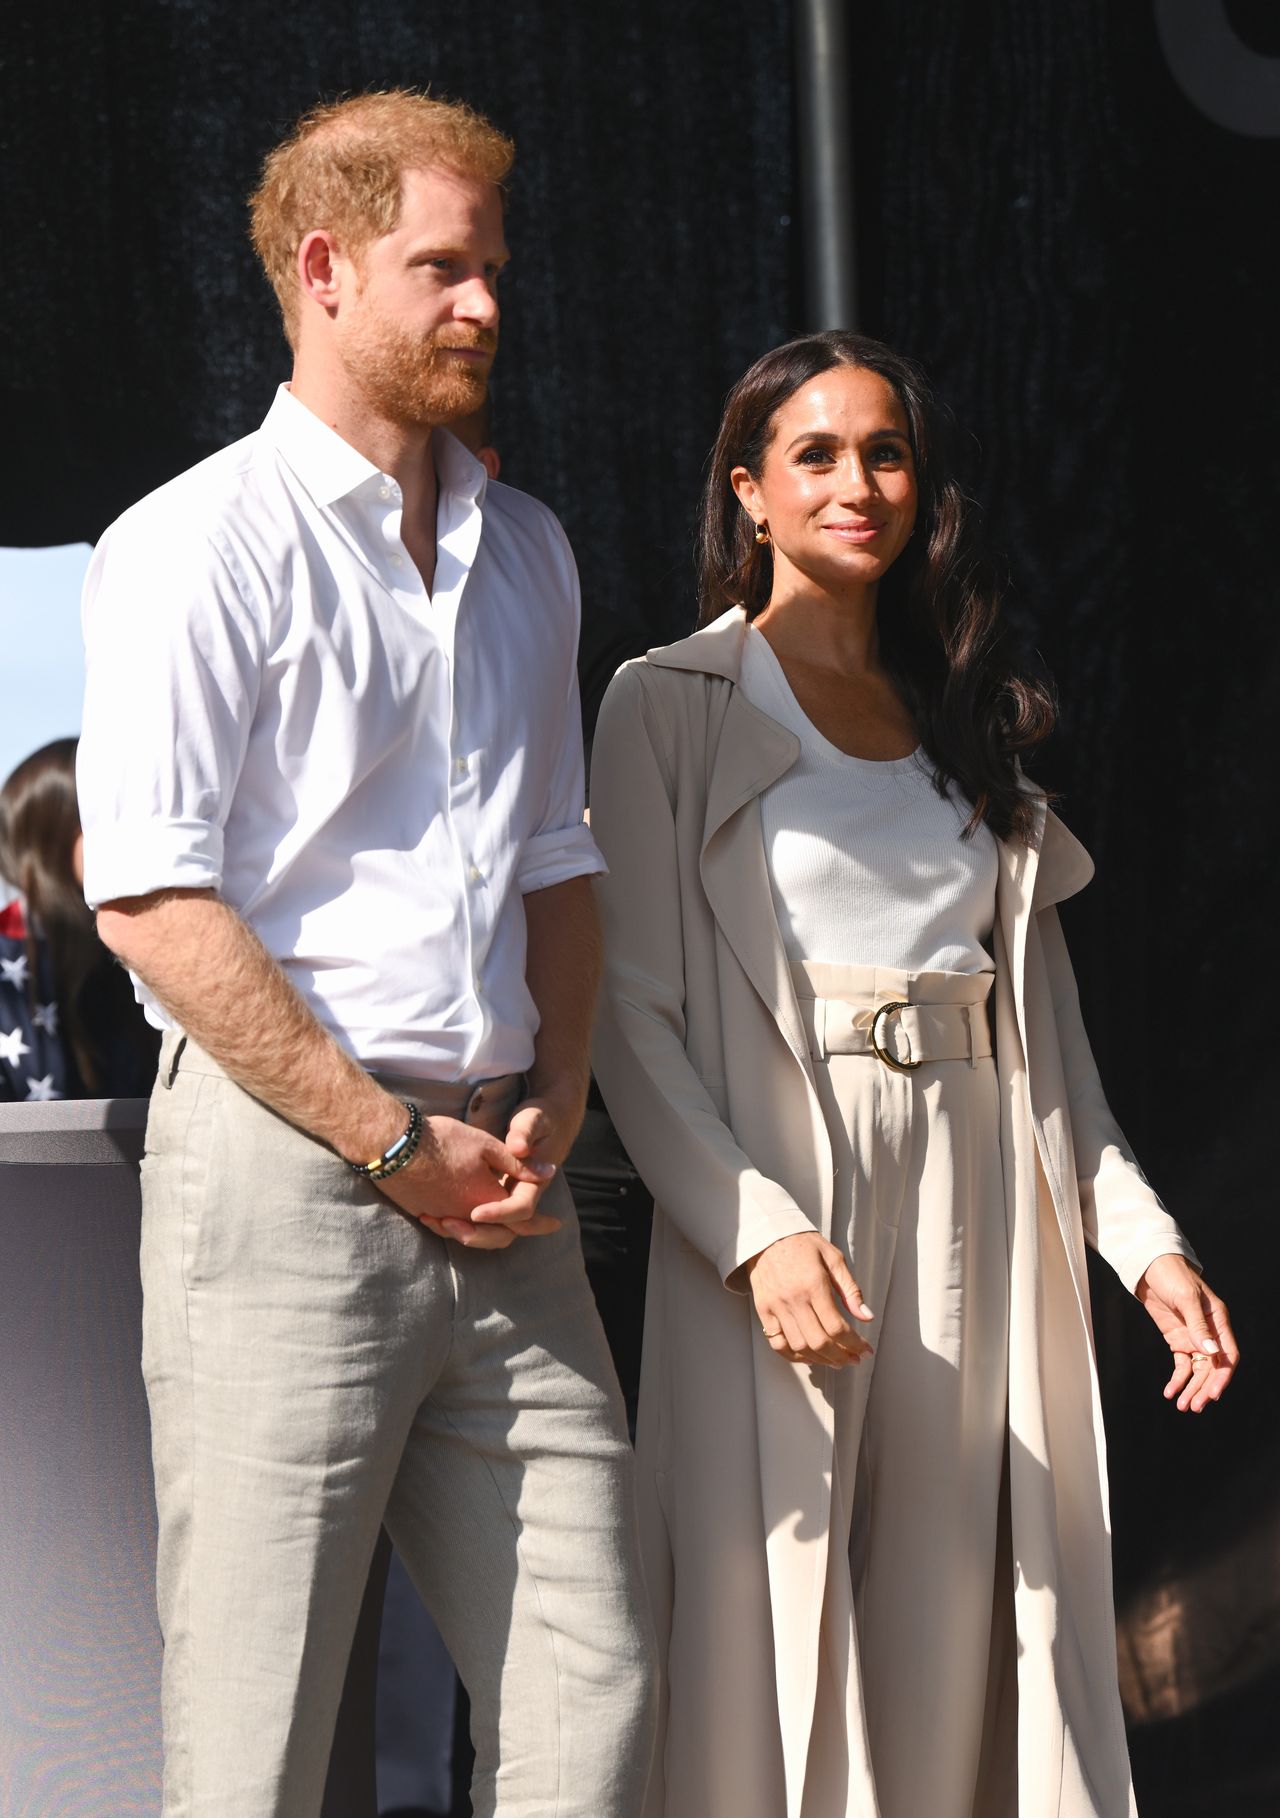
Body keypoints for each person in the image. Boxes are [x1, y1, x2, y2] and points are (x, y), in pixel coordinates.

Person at [76, 90, 654, 1818]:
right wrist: (387, 1139)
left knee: (601, 1684)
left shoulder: (526, 547)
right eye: (444, 268)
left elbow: (559, 858)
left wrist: (554, 1087)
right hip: (294, 1188)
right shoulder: (194, 542)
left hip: (506, 1190)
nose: (488, 303)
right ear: (322, 271)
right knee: (256, 1739)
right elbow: (153, 900)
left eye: (496, 268)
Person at [588, 330, 1238, 1818]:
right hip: (779, 1190)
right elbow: (627, 1016)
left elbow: (1047, 1039)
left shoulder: (969, 712)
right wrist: (752, 1225)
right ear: (747, 491)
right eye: (813, 453)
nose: (857, 482)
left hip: (982, 1191)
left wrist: (1145, 1243)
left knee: (962, 1627)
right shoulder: (664, 703)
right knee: (775, 1626)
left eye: (884, 451)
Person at [0, 737, 158, 1101]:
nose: (128, 836)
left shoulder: (148, 943)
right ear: (50, 837)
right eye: (104, 819)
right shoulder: (10, 955)